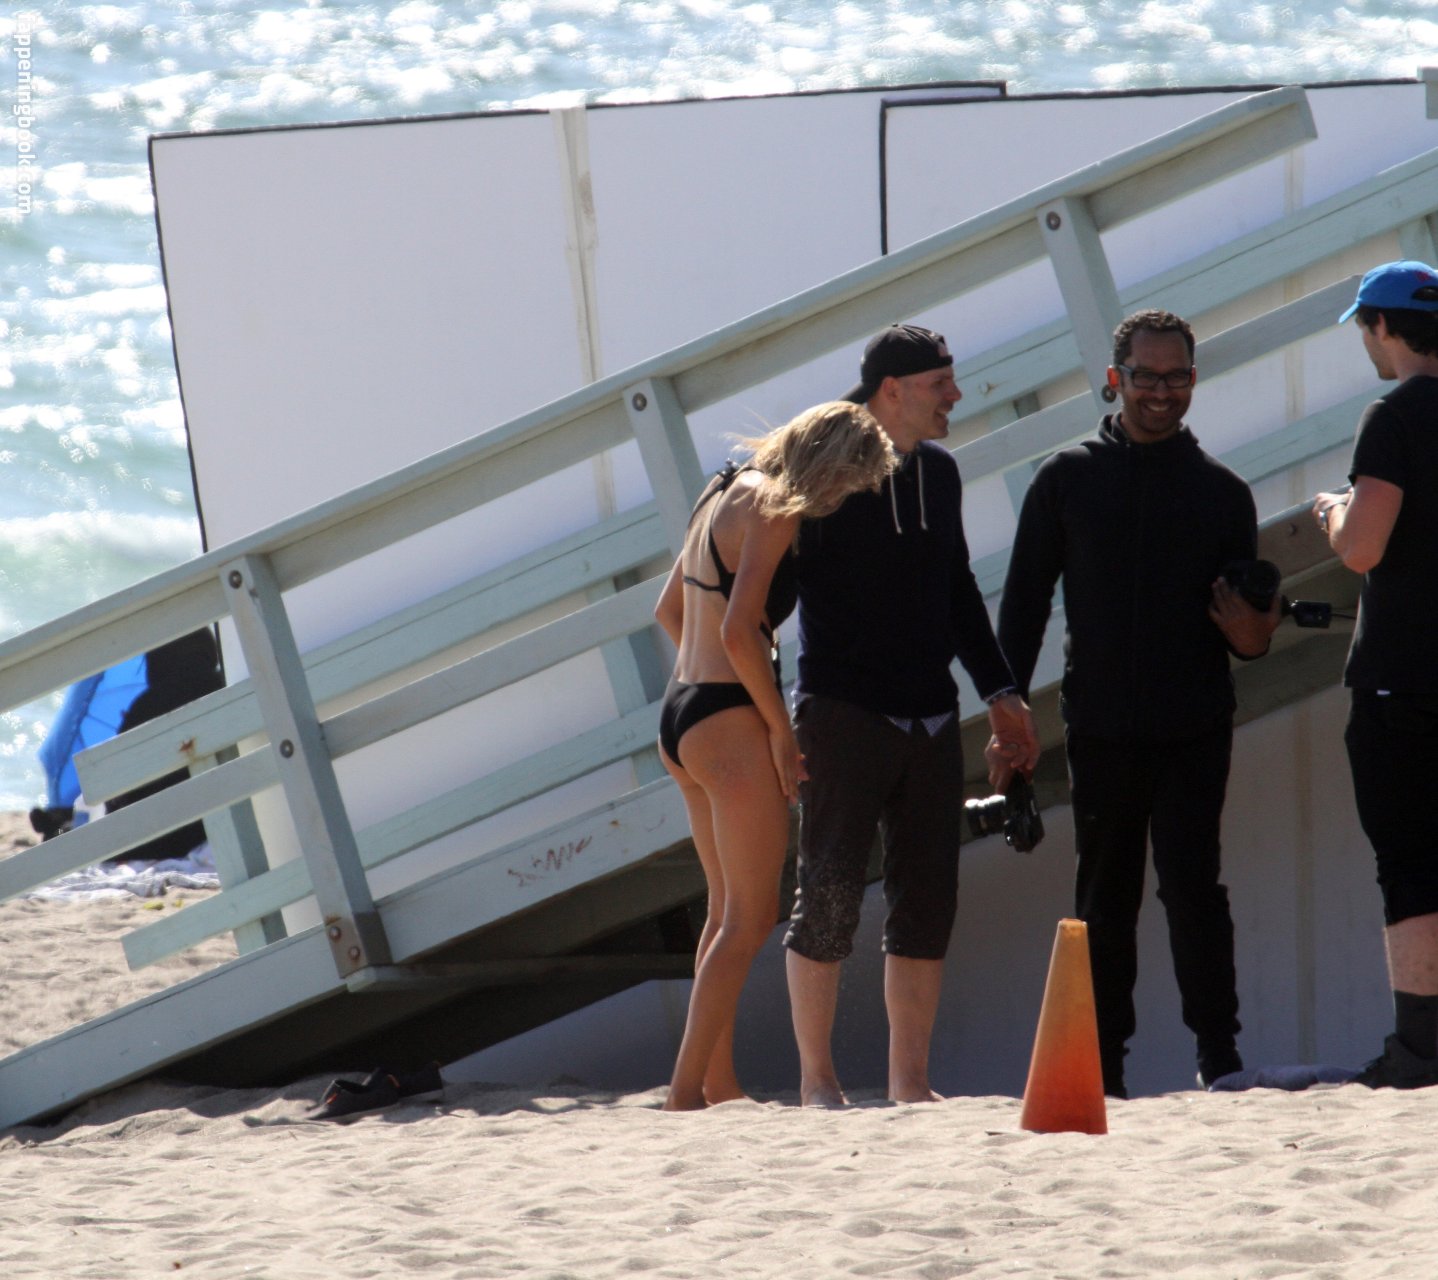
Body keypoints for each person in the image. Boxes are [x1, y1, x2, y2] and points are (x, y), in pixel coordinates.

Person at [997, 308, 1278, 1098]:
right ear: (1114, 380)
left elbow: (1249, 634)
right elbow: (1022, 609)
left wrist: (1254, 633)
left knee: (1195, 888)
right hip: (1102, 726)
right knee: (1104, 895)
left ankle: (1219, 1058)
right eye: (1146, 377)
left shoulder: (1223, 492)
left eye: (1176, 376)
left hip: (1196, 723)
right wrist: (1007, 714)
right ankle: (1104, 1071)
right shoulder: (1065, 479)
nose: (1161, 391)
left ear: (1194, 379)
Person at [781, 324, 1041, 1107]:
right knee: (827, 895)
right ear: (891, 390)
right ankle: (817, 1083)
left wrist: (1001, 694)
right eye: (939, 383)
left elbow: (956, 590)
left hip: (931, 716)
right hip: (841, 713)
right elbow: (762, 591)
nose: (955, 395)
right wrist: (763, 716)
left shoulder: (940, 472)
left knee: (927, 903)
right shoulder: (819, 469)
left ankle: (910, 1085)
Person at [654, 400, 898, 1111]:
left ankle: (717, 1083)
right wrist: (777, 732)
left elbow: (669, 610)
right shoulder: (774, 507)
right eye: (848, 483)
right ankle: (682, 1095)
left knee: (724, 914)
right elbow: (739, 633)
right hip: (725, 717)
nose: (842, 499)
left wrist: (709, 690)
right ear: (830, 465)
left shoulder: (723, 488)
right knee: (751, 917)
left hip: (681, 712)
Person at [1313, 260, 1438, 1089]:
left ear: (1383, 326)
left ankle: (1421, 1048)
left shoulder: (1393, 415)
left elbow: (1363, 546)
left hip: (1404, 681)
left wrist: (1332, 512)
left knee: (1412, 864)